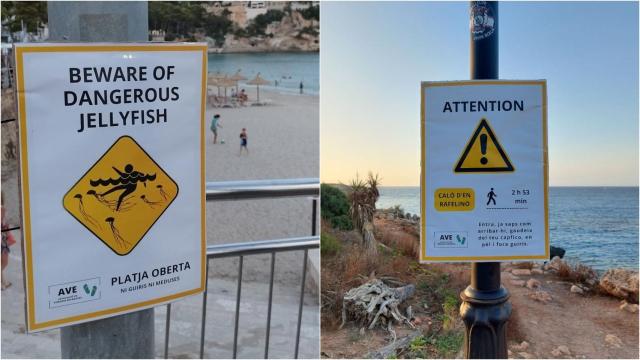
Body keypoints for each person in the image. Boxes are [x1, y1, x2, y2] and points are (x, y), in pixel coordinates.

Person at [2, 192, 16, 290]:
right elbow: (4, 224)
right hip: (2, 239)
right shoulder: (2, 208)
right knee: (4, 262)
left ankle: (3, 282)